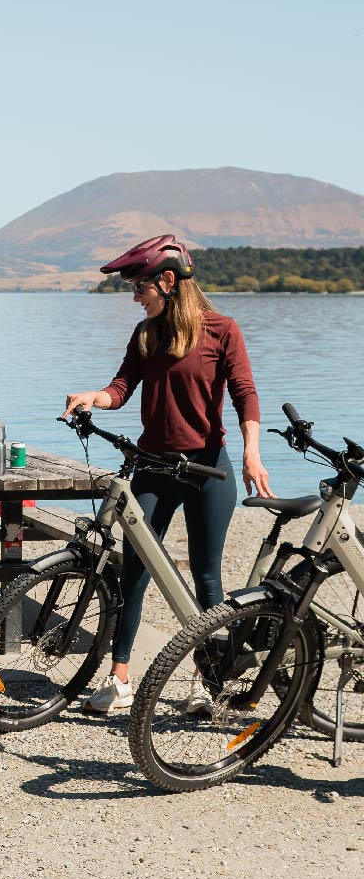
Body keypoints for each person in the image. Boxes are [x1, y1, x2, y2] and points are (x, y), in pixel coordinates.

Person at [62, 234, 274, 713]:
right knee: (133, 573)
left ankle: (206, 679)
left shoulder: (223, 330)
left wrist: (252, 453)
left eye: (139, 287)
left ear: (168, 280)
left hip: (207, 470)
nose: (135, 297)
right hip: (153, 468)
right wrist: (94, 397)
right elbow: (122, 387)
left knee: (207, 580)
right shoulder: (145, 334)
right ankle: (120, 682)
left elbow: (246, 395)